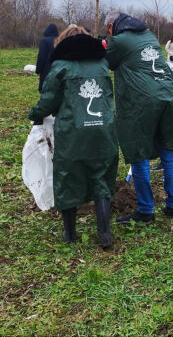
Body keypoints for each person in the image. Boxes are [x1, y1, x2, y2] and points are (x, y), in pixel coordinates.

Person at [28, 25, 118, 247]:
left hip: (72, 132)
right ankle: (105, 234)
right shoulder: (102, 65)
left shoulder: (60, 66)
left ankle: (70, 234)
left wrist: (35, 114)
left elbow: (48, 100)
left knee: (68, 176)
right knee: (101, 176)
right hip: (103, 129)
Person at [105, 13, 173, 224]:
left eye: (108, 30)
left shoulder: (119, 41)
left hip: (141, 102)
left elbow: (107, 63)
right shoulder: (149, 36)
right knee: (168, 151)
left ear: (112, 26)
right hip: (168, 95)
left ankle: (146, 210)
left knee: (138, 152)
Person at [35, 23, 59, 93]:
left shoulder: (45, 41)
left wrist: (38, 70)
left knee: (44, 90)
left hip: (47, 70)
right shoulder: (59, 40)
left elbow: (41, 57)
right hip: (58, 69)